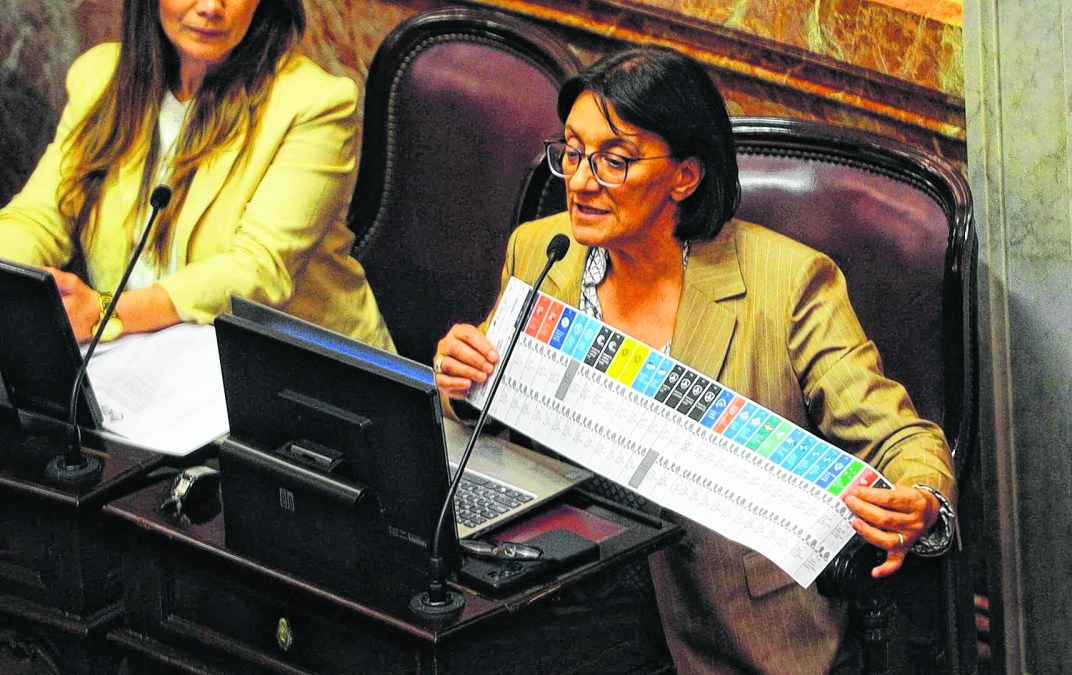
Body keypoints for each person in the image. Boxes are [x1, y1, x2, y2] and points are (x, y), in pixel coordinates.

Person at [435, 46, 957, 673]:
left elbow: (900, 437)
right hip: (570, 598)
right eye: (571, 152)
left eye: (614, 160)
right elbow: (492, 411)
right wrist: (461, 384)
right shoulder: (543, 252)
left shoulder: (787, 283)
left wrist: (920, 497)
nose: (579, 181)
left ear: (684, 176)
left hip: (734, 625)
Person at [0, 0, 393, 351]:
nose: (210, 7)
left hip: (295, 370)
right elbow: (38, 217)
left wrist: (107, 313)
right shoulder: (102, 77)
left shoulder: (313, 104)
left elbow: (259, 269)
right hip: (144, 354)